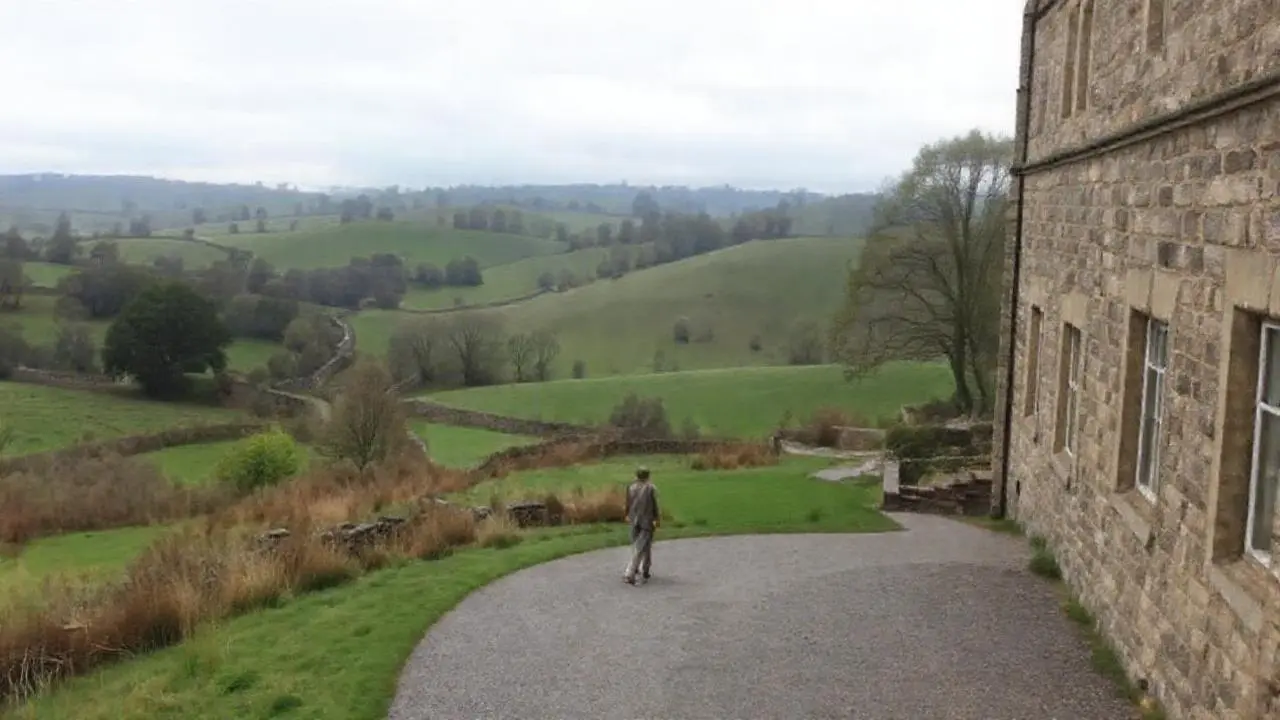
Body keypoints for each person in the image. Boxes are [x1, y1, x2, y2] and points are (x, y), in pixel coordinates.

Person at [623, 465, 660, 585]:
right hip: (646, 520)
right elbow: (654, 505)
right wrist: (657, 518)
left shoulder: (631, 487)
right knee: (640, 547)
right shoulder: (650, 488)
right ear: (647, 476)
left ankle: (645, 568)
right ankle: (630, 572)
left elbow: (627, 503)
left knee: (640, 545)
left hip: (634, 519)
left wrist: (627, 515)